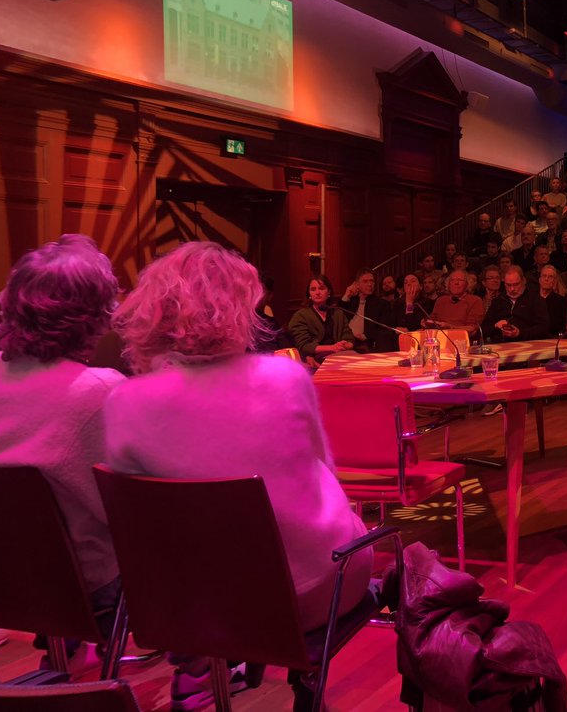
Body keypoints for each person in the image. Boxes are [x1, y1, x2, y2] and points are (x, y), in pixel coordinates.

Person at [107, 242, 374, 710]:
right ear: (240, 307)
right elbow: (326, 479)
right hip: (307, 597)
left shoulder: (123, 403)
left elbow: (143, 526)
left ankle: (200, 671)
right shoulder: (284, 379)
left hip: (190, 607)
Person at [0, 235, 126, 651]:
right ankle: (200, 667)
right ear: (96, 315)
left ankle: (62, 658)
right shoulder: (98, 391)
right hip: (87, 591)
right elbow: (129, 509)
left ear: (10, 302)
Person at [289, 274, 355, 366]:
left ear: (329, 292)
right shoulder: (300, 316)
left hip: (341, 354)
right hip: (316, 358)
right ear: (309, 294)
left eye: (321, 288)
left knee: (356, 359)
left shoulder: (338, 313)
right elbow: (304, 346)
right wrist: (332, 348)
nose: (317, 292)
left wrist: (343, 345)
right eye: (313, 289)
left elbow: (350, 340)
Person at [483, 267, 551, 341]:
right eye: (508, 285)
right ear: (504, 284)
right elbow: (484, 329)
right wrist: (495, 325)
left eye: (516, 284)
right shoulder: (498, 301)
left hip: (527, 343)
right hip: (500, 343)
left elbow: (543, 328)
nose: (512, 289)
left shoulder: (535, 300)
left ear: (524, 281)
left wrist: (519, 333)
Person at [339, 268, 396, 353]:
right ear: (357, 284)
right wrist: (347, 295)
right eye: (365, 281)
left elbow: (385, 328)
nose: (370, 284)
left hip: (366, 343)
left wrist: (366, 336)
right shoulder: (350, 301)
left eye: (372, 281)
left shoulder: (382, 304)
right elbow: (338, 318)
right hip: (346, 341)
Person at [429, 270, 485, 337]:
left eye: (460, 280)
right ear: (448, 284)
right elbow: (432, 320)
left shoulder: (475, 301)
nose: (456, 283)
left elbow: (472, 329)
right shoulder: (441, 300)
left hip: (462, 339)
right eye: (452, 280)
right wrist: (426, 323)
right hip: (439, 338)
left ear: (467, 284)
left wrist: (450, 327)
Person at [537, 264, 567, 334]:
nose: (546, 279)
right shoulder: (530, 298)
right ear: (539, 280)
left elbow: (562, 326)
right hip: (532, 337)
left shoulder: (561, 301)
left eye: (550, 277)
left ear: (555, 281)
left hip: (552, 337)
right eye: (544, 276)